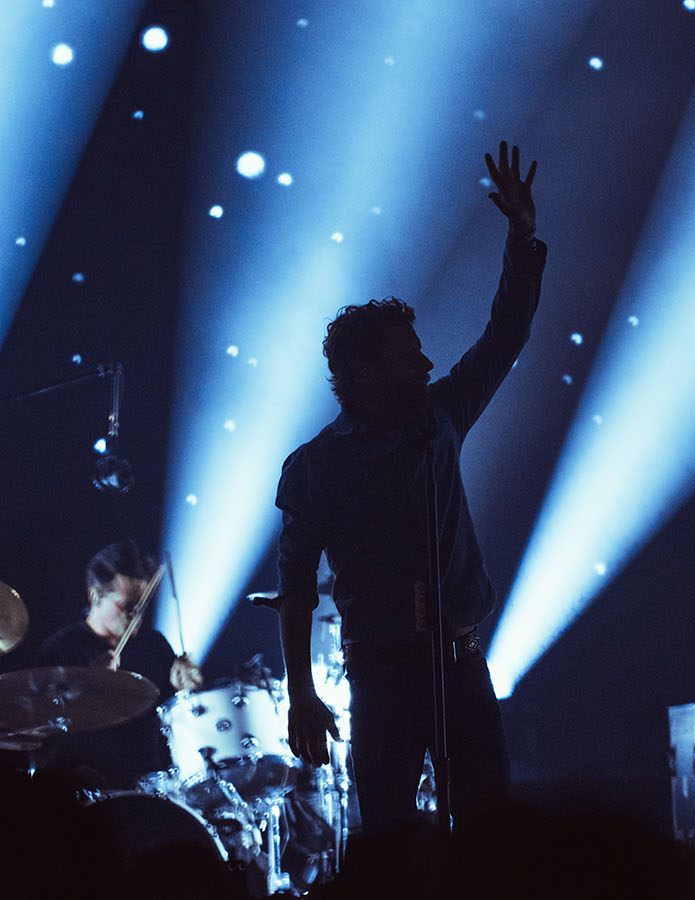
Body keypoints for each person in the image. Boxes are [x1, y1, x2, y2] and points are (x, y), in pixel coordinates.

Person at [274, 141, 545, 833]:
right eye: (406, 353)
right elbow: (296, 586)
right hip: (380, 678)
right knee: (391, 847)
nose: (426, 361)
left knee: (488, 842)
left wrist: (521, 237)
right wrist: (301, 694)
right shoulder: (316, 466)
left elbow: (504, 335)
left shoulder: (442, 418)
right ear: (363, 371)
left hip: (460, 667)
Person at [34, 539, 202, 787]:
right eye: (127, 606)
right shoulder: (60, 650)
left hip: (153, 785)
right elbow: (45, 731)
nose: (136, 616)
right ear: (95, 597)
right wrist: (89, 687)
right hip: (86, 787)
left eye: (142, 606)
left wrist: (184, 692)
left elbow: (178, 722)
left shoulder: (154, 644)